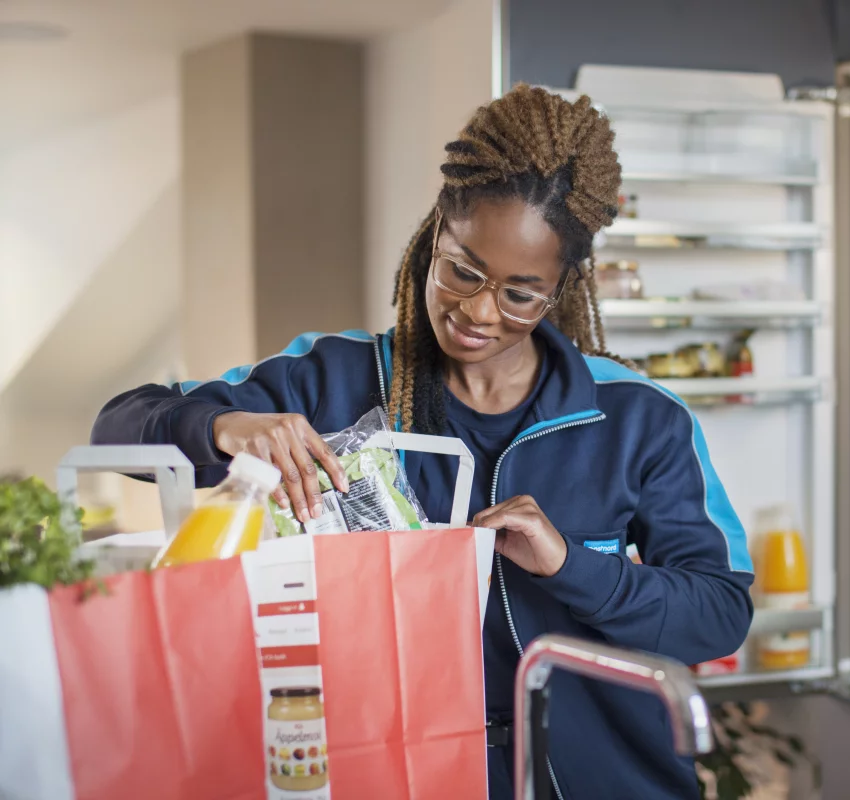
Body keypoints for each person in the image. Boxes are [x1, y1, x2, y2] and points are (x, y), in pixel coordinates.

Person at [93, 85, 753, 800]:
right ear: (437, 230)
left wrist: (571, 566)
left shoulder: (636, 418)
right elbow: (118, 430)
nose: (477, 311)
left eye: (519, 294)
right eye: (462, 269)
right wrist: (223, 428)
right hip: (393, 779)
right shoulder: (332, 380)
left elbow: (718, 615)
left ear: (561, 288)